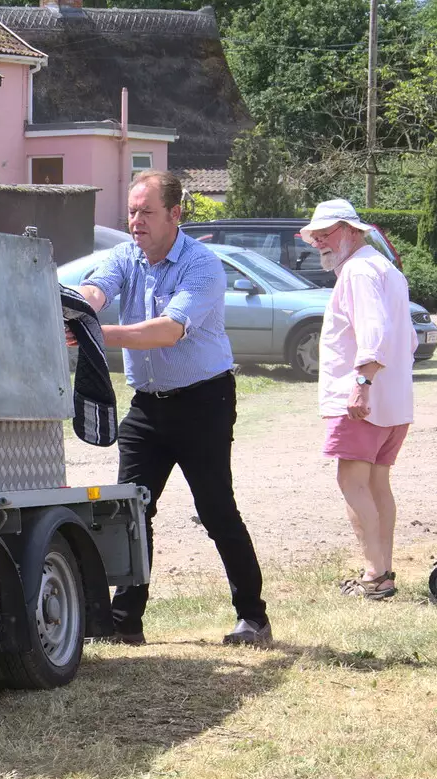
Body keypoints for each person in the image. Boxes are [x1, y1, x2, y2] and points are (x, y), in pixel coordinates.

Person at [78, 171, 271, 646]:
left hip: (204, 401)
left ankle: (253, 618)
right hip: (147, 406)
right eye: (131, 211)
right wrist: (80, 306)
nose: (135, 221)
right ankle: (125, 623)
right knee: (129, 511)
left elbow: (167, 331)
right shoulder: (127, 255)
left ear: (175, 215)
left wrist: (94, 333)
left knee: (215, 510)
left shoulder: (202, 266)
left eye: (145, 212)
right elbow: (96, 289)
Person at [301, 200, 416, 600]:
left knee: (352, 482)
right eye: (316, 236)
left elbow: (374, 329)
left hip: (362, 398)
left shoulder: (357, 271)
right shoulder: (385, 269)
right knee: (377, 483)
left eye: (326, 233)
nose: (319, 242)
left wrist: (362, 381)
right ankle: (382, 572)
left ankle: (375, 573)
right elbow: (405, 336)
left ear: (352, 231)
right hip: (393, 397)